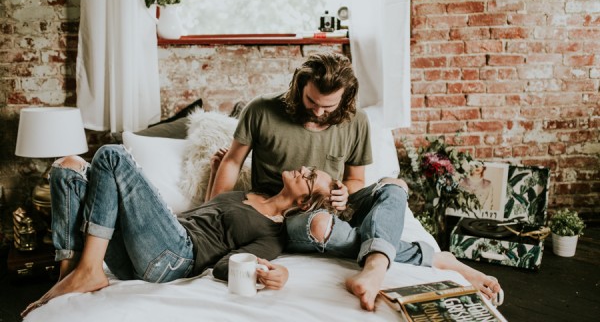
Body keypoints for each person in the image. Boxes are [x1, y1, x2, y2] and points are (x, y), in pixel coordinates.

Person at [206, 53, 502, 311]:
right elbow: (232, 161)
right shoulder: (261, 110)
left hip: (339, 206)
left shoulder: (356, 121)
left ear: (344, 99)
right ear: (299, 85)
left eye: (329, 106)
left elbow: (356, 180)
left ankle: (374, 267)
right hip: (288, 212)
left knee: (393, 186)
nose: (319, 112)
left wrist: (346, 194)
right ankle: (434, 259)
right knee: (318, 224)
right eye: (311, 101)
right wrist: (214, 212)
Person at [21, 144, 334, 317]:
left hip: (175, 256)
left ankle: (90, 270)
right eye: (309, 169)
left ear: (305, 203)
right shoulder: (247, 193)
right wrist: (215, 172)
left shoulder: (272, 233)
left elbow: (226, 265)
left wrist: (267, 272)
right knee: (69, 167)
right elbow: (210, 214)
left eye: (309, 177)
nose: (303, 169)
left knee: (112, 155)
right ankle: (69, 276)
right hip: (146, 250)